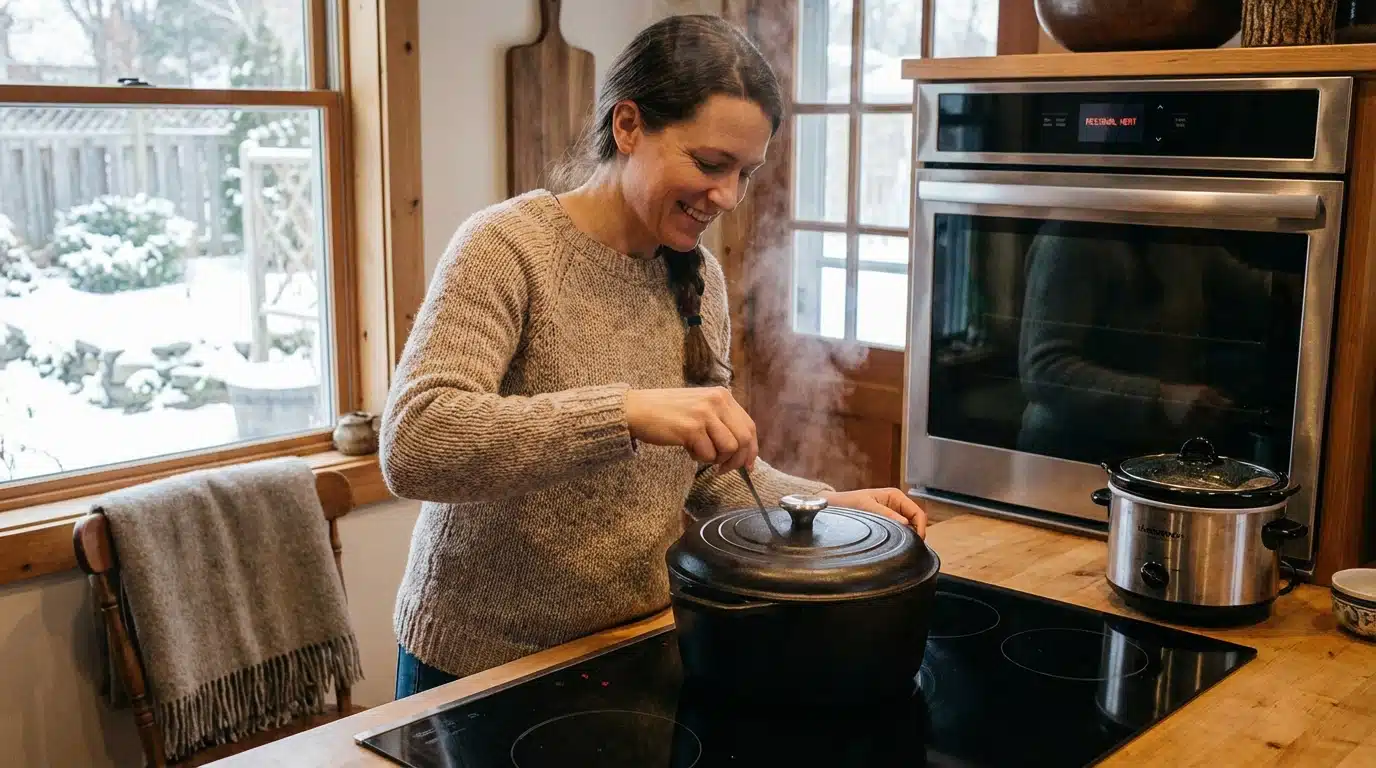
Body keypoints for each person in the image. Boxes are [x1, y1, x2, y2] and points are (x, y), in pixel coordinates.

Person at [378, 14, 927, 699]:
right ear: (629, 125)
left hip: (635, 646)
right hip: (477, 665)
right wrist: (627, 413)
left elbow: (708, 475)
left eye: (746, 174)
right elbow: (415, 444)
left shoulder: (700, 279)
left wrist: (820, 508)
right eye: (710, 164)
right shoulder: (505, 248)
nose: (728, 197)